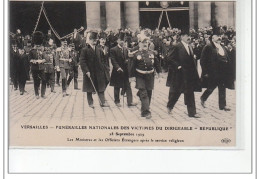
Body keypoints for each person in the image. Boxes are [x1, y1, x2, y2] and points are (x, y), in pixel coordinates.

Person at [166, 31, 201, 118]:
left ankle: (192, 112)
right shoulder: (177, 46)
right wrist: (178, 66)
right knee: (176, 92)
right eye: (186, 36)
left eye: (189, 36)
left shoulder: (189, 46)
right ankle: (170, 106)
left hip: (189, 74)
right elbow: (169, 58)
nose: (189, 37)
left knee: (190, 92)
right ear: (182, 37)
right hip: (180, 74)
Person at [200, 32, 235, 111]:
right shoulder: (208, 47)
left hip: (223, 72)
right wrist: (205, 72)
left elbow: (227, 57)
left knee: (222, 88)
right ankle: (203, 98)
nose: (219, 37)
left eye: (220, 36)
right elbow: (202, 60)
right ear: (212, 38)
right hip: (213, 72)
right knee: (211, 87)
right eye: (217, 36)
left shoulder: (223, 47)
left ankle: (223, 106)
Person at [130, 34, 161, 119]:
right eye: (143, 42)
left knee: (149, 93)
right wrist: (131, 76)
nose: (145, 44)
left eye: (146, 42)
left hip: (150, 76)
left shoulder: (152, 53)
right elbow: (132, 66)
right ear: (139, 44)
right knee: (144, 93)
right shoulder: (136, 54)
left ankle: (144, 110)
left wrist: (159, 73)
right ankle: (147, 112)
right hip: (140, 76)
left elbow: (157, 64)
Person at [80, 31, 110, 108]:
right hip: (89, 72)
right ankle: (90, 103)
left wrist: (104, 68)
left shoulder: (99, 49)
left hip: (99, 72)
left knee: (101, 88)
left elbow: (103, 60)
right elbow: (82, 62)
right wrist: (86, 71)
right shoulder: (85, 50)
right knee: (89, 88)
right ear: (89, 40)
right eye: (93, 40)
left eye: (96, 40)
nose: (95, 41)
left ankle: (102, 102)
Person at [110, 32, 137, 107]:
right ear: (118, 41)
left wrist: (127, 60)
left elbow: (127, 58)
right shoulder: (113, 50)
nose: (122, 42)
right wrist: (118, 67)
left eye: (123, 40)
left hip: (125, 71)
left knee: (128, 86)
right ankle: (117, 101)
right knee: (117, 86)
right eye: (121, 40)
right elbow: (113, 60)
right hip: (117, 71)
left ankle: (130, 101)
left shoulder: (125, 49)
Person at [29, 31, 47, 99]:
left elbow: (45, 58)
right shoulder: (32, 51)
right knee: (36, 81)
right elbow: (30, 60)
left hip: (41, 68)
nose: (38, 46)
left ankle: (43, 94)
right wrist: (36, 61)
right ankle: (36, 94)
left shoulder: (43, 50)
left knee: (44, 80)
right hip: (34, 68)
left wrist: (42, 60)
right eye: (37, 45)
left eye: (39, 45)